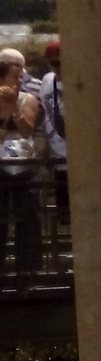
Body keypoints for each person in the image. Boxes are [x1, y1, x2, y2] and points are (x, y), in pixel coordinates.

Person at [0, 50, 45, 274]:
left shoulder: (29, 99)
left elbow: (26, 130)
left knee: (27, 220)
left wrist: (14, 108)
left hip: (24, 168)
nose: (19, 82)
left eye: (21, 77)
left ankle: (27, 272)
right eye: (14, 77)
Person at [31, 41, 65, 223]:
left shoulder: (81, 83)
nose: (59, 68)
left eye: (62, 62)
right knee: (64, 215)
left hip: (82, 157)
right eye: (55, 63)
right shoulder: (46, 81)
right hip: (57, 155)